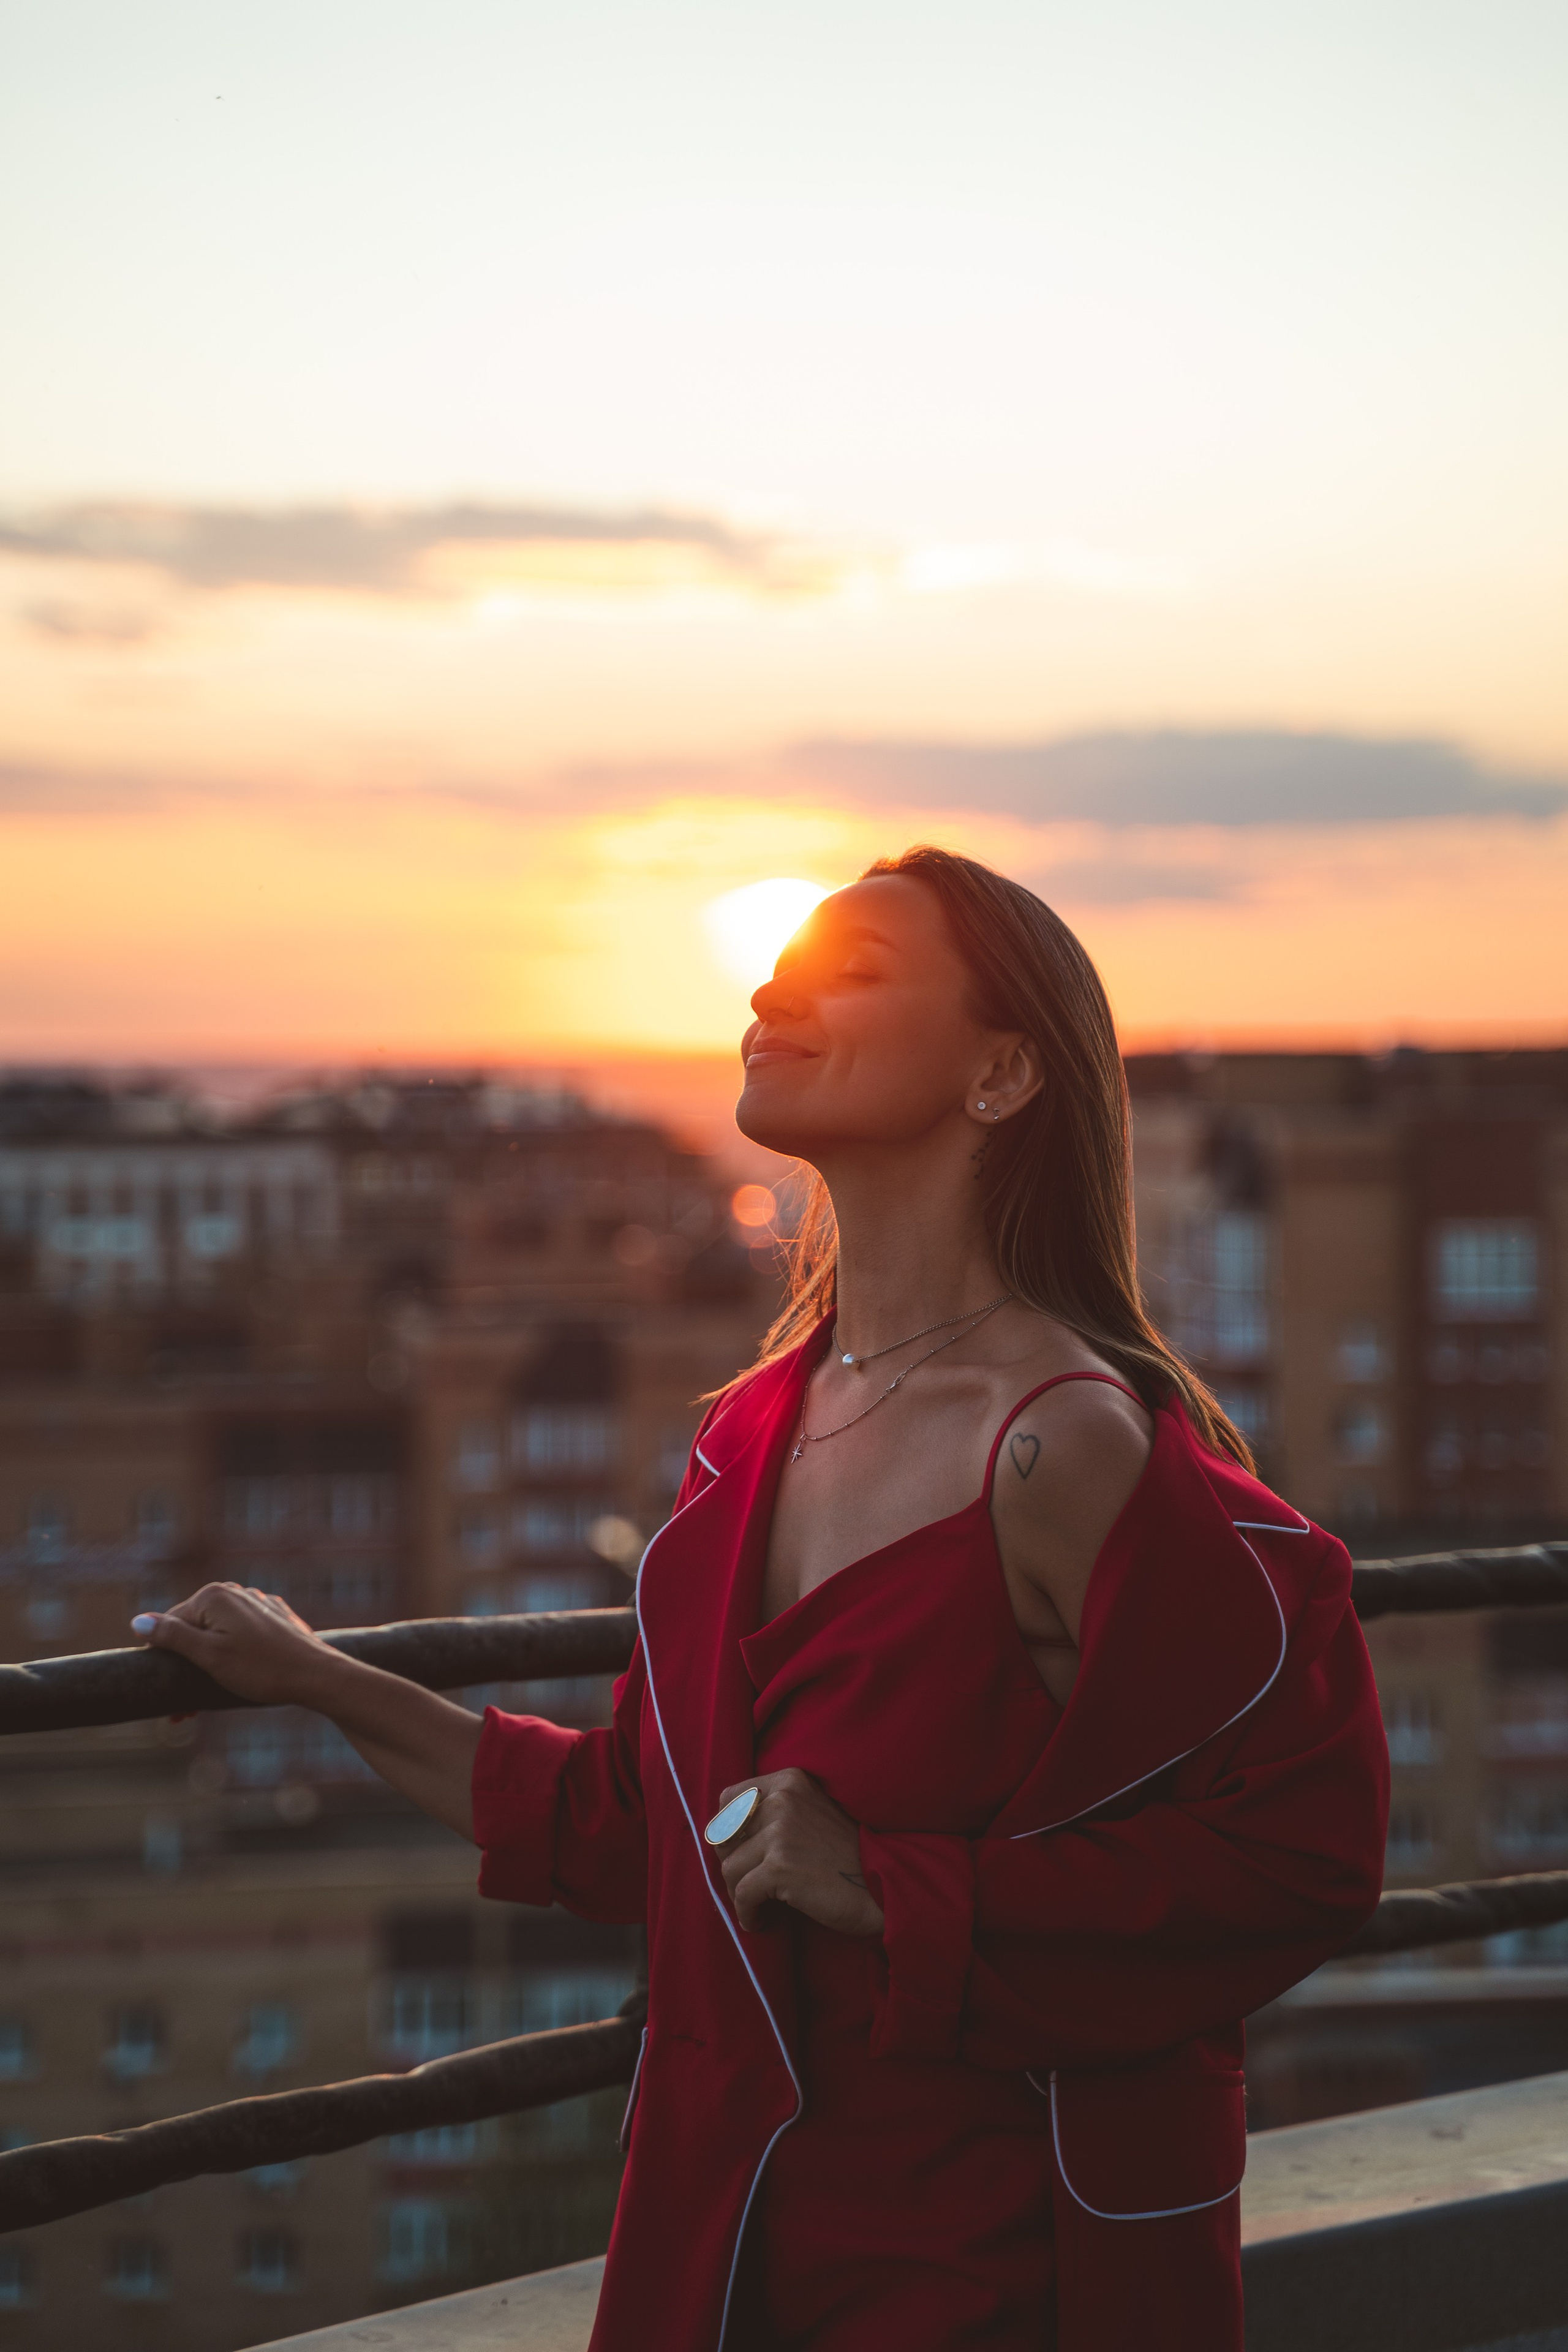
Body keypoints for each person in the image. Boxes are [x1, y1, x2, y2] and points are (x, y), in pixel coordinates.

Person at [134, 846, 1389, 2352]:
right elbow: (637, 1822)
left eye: (848, 972)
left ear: (1000, 1073)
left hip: (988, 2265)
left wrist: (899, 1884)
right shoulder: (751, 1427)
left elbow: (1305, 1851)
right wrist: (320, 1678)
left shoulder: (1058, 1441)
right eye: (779, 962)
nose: (767, 991)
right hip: (726, 2240)